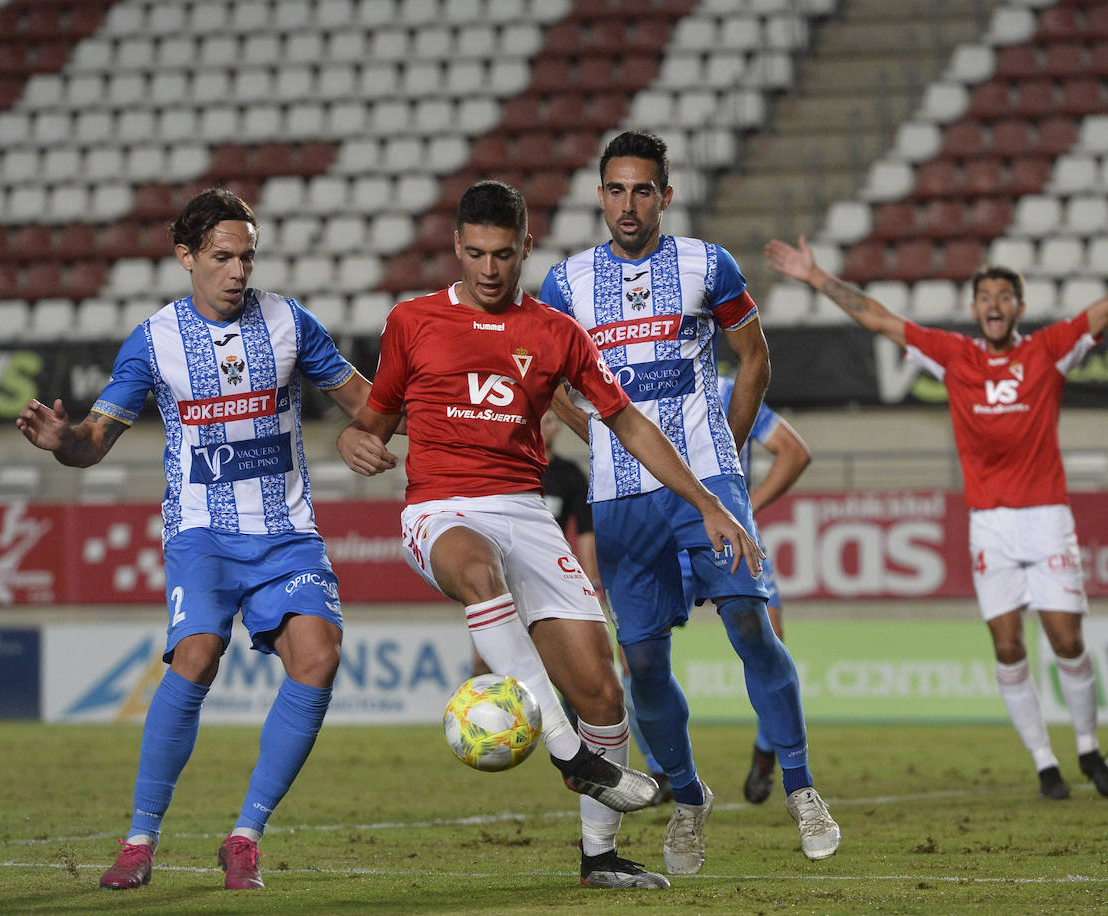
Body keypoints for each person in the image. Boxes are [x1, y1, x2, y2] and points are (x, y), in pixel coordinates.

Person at [335, 179, 763, 889]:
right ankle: (569, 755)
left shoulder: (558, 334)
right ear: (457, 248)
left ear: (526, 247)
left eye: (504, 254)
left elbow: (626, 425)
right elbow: (372, 421)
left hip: (526, 513)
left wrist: (708, 501)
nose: (490, 269)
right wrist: (356, 442)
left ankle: (600, 857)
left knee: (602, 692)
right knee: (477, 572)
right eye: (475, 254)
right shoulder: (411, 322)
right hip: (440, 509)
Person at [767, 208, 1108, 800]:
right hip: (990, 527)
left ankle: (1086, 749)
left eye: (1005, 295)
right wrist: (818, 277)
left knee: (1066, 641)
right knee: (1008, 646)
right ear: (976, 307)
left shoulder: (1050, 350)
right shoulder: (955, 356)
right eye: (985, 295)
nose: (994, 303)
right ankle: (1044, 764)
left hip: (1046, 520)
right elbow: (879, 318)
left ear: (1019, 308)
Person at [16, 189, 371, 890]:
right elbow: (93, 443)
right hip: (201, 533)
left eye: (246, 256)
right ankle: (140, 839)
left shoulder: (290, 323)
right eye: (221, 257)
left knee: (319, 658)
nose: (238, 271)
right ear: (186, 257)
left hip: (286, 533)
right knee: (199, 654)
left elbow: (369, 401)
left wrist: (378, 432)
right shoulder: (153, 341)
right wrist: (63, 444)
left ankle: (245, 835)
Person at [540, 130, 840, 873]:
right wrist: (601, 435)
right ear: (601, 195)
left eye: (644, 190)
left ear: (665, 196)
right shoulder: (566, 283)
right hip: (622, 499)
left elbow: (754, 359)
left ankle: (800, 785)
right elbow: (546, 378)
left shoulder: (709, 264)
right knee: (641, 663)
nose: (630, 204)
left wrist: (727, 460)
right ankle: (687, 795)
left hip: (707, 483)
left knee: (747, 618)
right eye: (617, 189)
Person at [713, 373, 814, 805]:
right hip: (664, 536)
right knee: (640, 657)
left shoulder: (728, 390)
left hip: (731, 537)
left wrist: (739, 512)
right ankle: (664, 773)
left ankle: (766, 753)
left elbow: (793, 452)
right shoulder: (636, 378)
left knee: (767, 643)